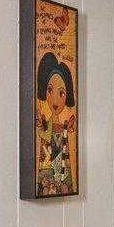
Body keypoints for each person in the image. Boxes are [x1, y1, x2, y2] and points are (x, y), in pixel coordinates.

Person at [36, 53, 76, 194]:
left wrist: (68, 128)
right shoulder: (47, 123)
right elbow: (45, 137)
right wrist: (41, 127)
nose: (55, 100)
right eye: (50, 90)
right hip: (48, 160)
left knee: (65, 186)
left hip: (62, 159)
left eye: (61, 94)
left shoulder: (63, 124)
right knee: (47, 187)